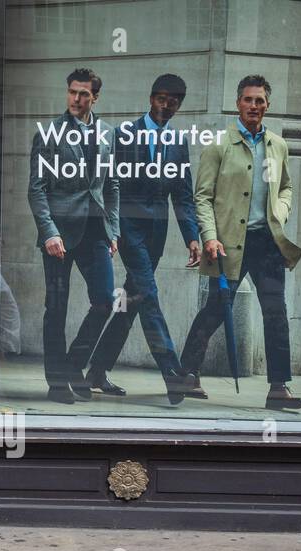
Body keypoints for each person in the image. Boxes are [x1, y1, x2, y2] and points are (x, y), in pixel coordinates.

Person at [179, 75, 301, 410]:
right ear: (238, 103)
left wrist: (282, 209)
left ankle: (278, 387)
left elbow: (287, 188)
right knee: (217, 309)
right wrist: (209, 236)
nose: (254, 106)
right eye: (249, 99)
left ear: (267, 105)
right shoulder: (219, 145)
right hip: (228, 243)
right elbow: (202, 197)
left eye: (260, 100)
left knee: (276, 312)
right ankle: (187, 373)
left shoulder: (278, 146)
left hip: (268, 243)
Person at [84, 73, 201, 405]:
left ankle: (96, 371)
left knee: (130, 304)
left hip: (157, 236)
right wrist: (111, 230)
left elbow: (183, 196)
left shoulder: (178, 144)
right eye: (161, 98)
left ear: (179, 106)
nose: (166, 105)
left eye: (174, 101)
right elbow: (108, 185)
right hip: (128, 229)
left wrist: (191, 237)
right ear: (151, 98)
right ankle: (173, 373)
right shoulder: (125, 135)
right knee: (148, 295)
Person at [27, 67, 120, 404]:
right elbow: (36, 189)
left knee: (105, 301)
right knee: (57, 308)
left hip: (96, 230)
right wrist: (49, 232)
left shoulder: (108, 133)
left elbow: (112, 185)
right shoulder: (49, 132)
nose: (76, 99)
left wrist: (114, 230)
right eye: (72, 92)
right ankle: (56, 383)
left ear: (95, 96)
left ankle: (72, 365)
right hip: (60, 236)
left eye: (84, 94)